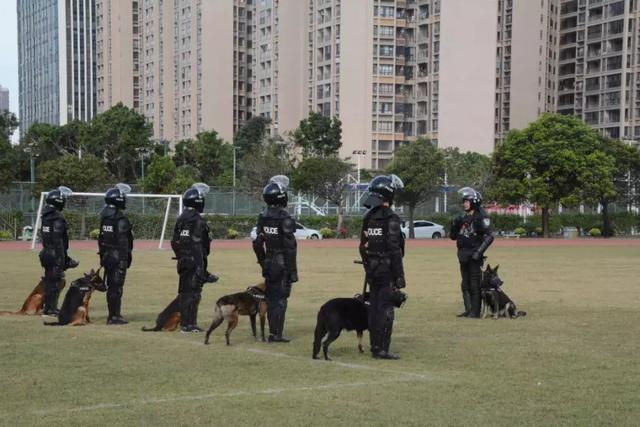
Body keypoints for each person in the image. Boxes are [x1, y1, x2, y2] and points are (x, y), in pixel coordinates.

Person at [359, 174, 406, 360]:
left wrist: (367, 267)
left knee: (374, 308)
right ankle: (382, 349)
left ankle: (374, 346)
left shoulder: (368, 217)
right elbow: (395, 249)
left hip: (372, 269)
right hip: (386, 270)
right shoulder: (391, 218)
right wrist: (400, 276)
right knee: (386, 309)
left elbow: (362, 247)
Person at [252, 175, 298, 343]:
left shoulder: (263, 216)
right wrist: (293, 271)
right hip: (282, 262)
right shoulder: (284, 218)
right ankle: (276, 333)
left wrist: (263, 261)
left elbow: (257, 243)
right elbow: (290, 248)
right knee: (281, 299)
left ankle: (273, 332)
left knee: (271, 298)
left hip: (269, 261)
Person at [171, 183, 218, 333]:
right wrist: (201, 268)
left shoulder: (181, 219)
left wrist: (181, 256)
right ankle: (189, 324)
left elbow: (174, 242)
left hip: (183, 262)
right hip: (195, 262)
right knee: (193, 294)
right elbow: (200, 245)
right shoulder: (198, 221)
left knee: (184, 292)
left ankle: (185, 323)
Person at [449, 187, 494, 318]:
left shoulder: (482, 216)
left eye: (466, 201)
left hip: (474, 256)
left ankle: (475, 311)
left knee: (475, 285)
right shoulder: (463, 216)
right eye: (464, 201)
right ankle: (469, 310)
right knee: (465, 284)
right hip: (463, 255)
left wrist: (479, 252)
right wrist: (454, 224)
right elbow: (453, 236)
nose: (464, 203)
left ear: (474, 202)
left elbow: (490, 236)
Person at [39, 186, 78, 315]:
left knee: (50, 281)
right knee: (55, 282)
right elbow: (59, 241)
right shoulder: (57, 218)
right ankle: (51, 308)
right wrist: (64, 258)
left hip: (46, 252)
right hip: (54, 254)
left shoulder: (45, 216)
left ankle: (48, 307)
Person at [98, 183, 134, 325]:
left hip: (107, 256)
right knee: (116, 287)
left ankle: (112, 314)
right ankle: (114, 316)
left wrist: (103, 256)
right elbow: (124, 241)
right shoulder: (120, 219)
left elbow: (101, 239)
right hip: (118, 257)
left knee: (112, 287)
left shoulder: (104, 217)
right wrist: (126, 257)